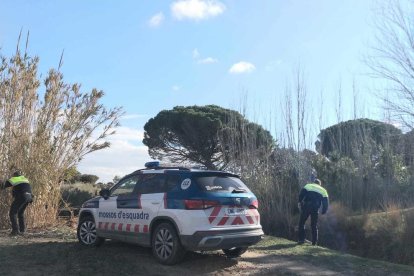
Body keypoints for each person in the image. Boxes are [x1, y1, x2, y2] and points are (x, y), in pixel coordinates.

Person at [297, 178, 329, 245]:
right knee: (314, 225)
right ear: (320, 184)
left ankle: (301, 240)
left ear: (314, 182)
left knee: (302, 223)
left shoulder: (308, 185)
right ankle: (314, 242)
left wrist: (299, 201)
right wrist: (324, 211)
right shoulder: (323, 190)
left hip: (307, 206)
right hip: (315, 208)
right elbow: (325, 202)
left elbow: (301, 194)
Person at [3, 170, 33, 236]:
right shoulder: (25, 179)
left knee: (12, 213)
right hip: (29, 197)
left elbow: (3, 185)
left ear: (14, 175)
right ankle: (22, 230)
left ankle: (15, 231)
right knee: (20, 213)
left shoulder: (15, 179)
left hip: (22, 196)